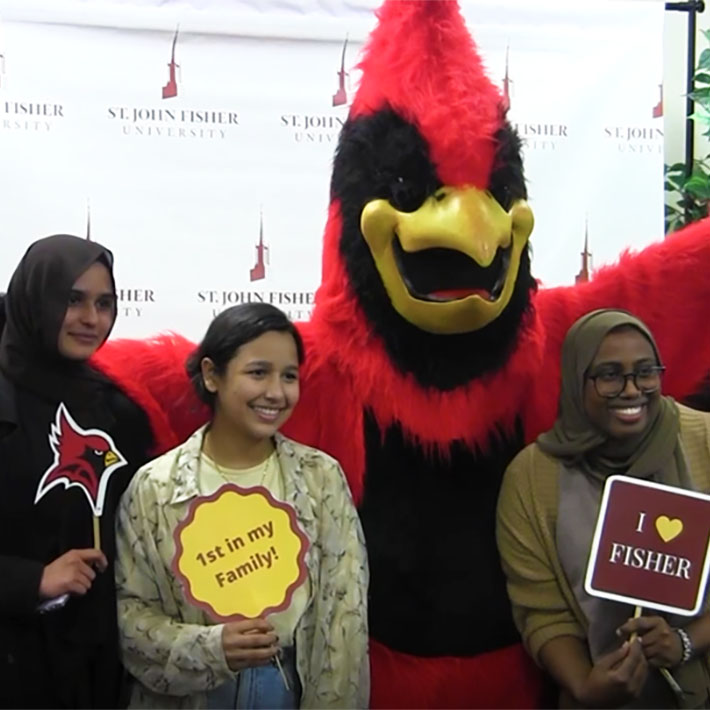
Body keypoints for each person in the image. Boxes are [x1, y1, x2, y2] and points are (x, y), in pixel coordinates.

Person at [115, 302, 369, 709]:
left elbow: (345, 617)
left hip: (291, 688)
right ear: (212, 375)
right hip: (193, 695)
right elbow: (129, 617)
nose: (276, 392)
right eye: (258, 372)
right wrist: (212, 648)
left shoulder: (321, 478)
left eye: (289, 376)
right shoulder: (155, 488)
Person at [497, 309, 710, 709]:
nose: (632, 390)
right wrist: (584, 686)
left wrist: (685, 642)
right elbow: (540, 611)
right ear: (578, 382)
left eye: (646, 372)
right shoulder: (530, 478)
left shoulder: (704, 440)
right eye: (610, 376)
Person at [0, 234, 158, 708]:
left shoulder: (117, 411)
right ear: (36, 297)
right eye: (73, 300)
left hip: (94, 667)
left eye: (105, 303)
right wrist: (32, 580)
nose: (92, 319)